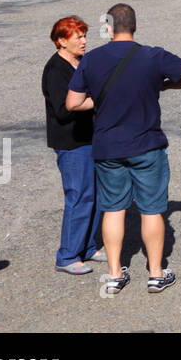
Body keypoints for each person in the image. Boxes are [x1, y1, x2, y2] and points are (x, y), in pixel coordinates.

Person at [65, 3, 181, 295]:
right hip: (147, 145)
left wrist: (101, 103)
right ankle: (155, 274)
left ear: (108, 28)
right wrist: (164, 86)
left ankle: (115, 275)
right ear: (136, 27)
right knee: (152, 210)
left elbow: (73, 103)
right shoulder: (153, 56)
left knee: (113, 210)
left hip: (107, 148)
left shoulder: (91, 60)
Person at [42, 16, 103, 275]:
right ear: (61, 41)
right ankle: (67, 256)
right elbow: (63, 110)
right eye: (78, 37)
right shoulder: (55, 69)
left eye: (84, 35)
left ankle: (87, 246)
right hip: (71, 143)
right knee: (79, 196)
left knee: (97, 196)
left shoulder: (81, 62)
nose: (84, 41)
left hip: (90, 139)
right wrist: (96, 100)